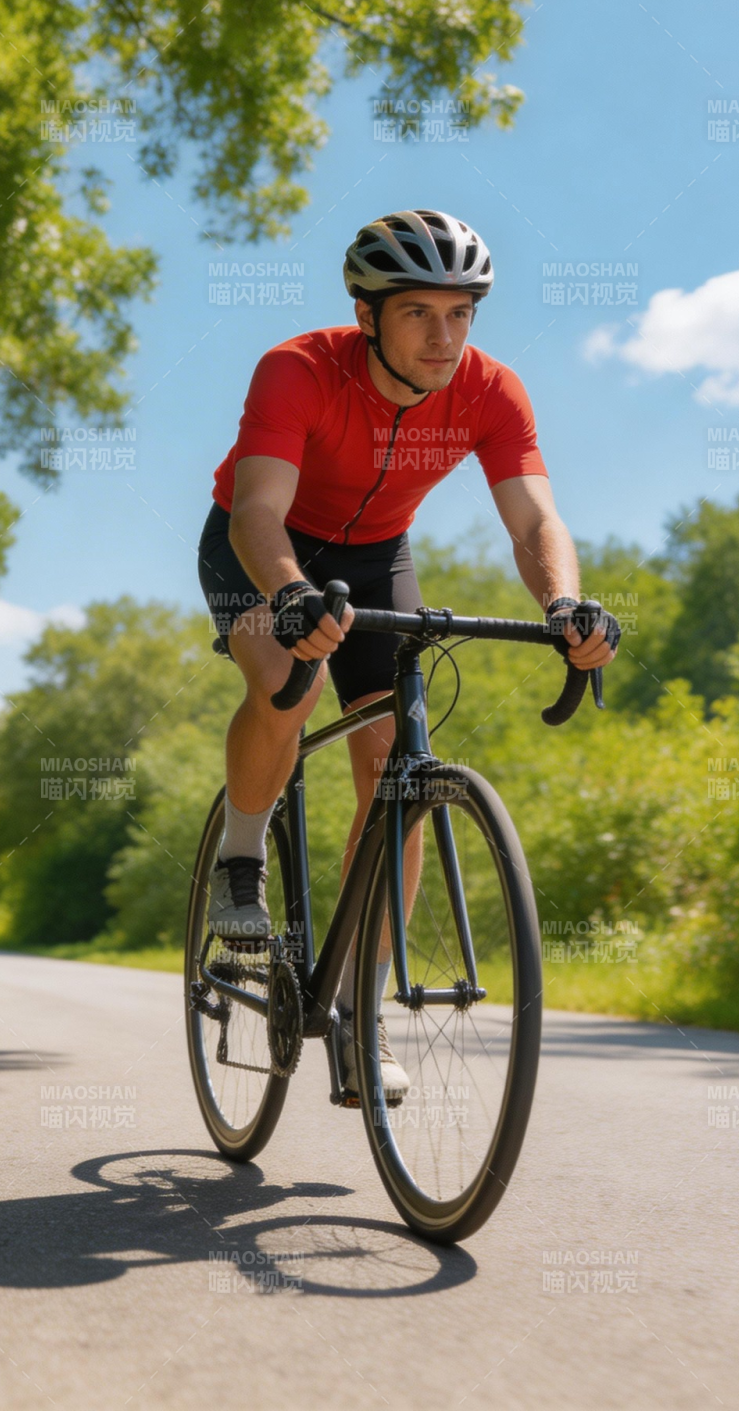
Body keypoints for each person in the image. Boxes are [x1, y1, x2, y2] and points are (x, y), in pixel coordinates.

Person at [197, 209, 619, 1100]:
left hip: (376, 557)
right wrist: (291, 596)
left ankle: (361, 1008)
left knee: (396, 771)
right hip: (264, 547)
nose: (444, 337)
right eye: (420, 313)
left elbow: (535, 519)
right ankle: (241, 857)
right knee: (287, 685)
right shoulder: (297, 369)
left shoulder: (492, 391)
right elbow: (257, 510)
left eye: (460, 313)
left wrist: (564, 604)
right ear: (367, 314)